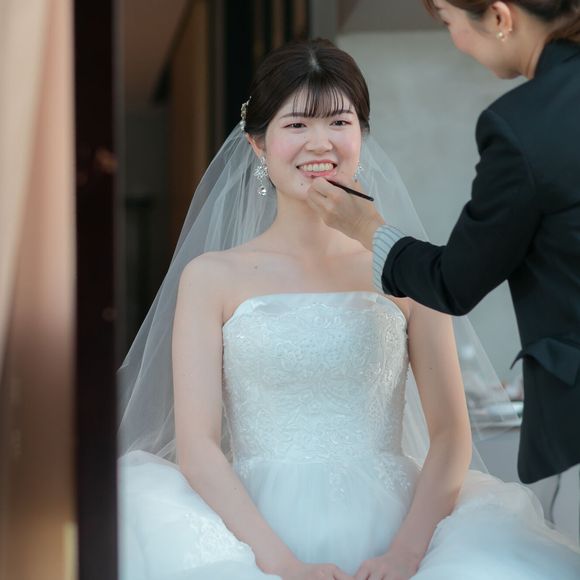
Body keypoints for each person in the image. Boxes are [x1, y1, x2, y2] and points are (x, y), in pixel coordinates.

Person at [117, 39, 580, 580]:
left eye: (339, 122)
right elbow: (198, 448)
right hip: (253, 532)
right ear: (257, 144)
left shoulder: (409, 270)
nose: (321, 142)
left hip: (399, 528)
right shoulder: (210, 278)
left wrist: (406, 555)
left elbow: (451, 435)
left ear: (362, 135)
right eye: (296, 125)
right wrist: (282, 566)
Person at [307, 0, 580, 487]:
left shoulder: (526, 123)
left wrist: (367, 227)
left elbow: (454, 282)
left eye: (451, 23)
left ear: (500, 18)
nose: (457, 42)